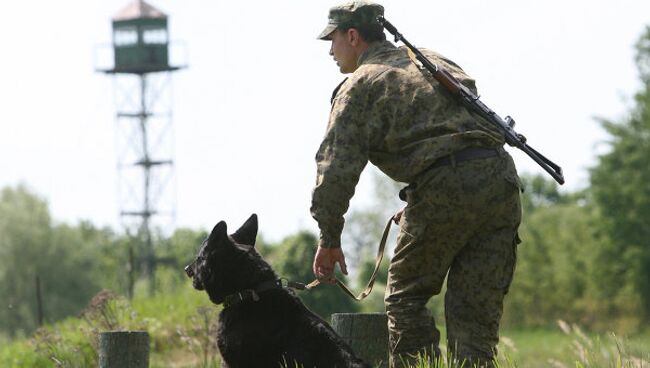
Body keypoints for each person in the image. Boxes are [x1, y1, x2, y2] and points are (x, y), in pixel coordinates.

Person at [310, 1, 522, 367]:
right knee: (473, 313)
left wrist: (329, 239)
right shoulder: (432, 60)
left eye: (333, 39)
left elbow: (335, 170)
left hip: (445, 186)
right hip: (499, 180)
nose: (330, 50)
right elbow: (459, 127)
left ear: (353, 36)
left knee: (406, 299)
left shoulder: (359, 86)